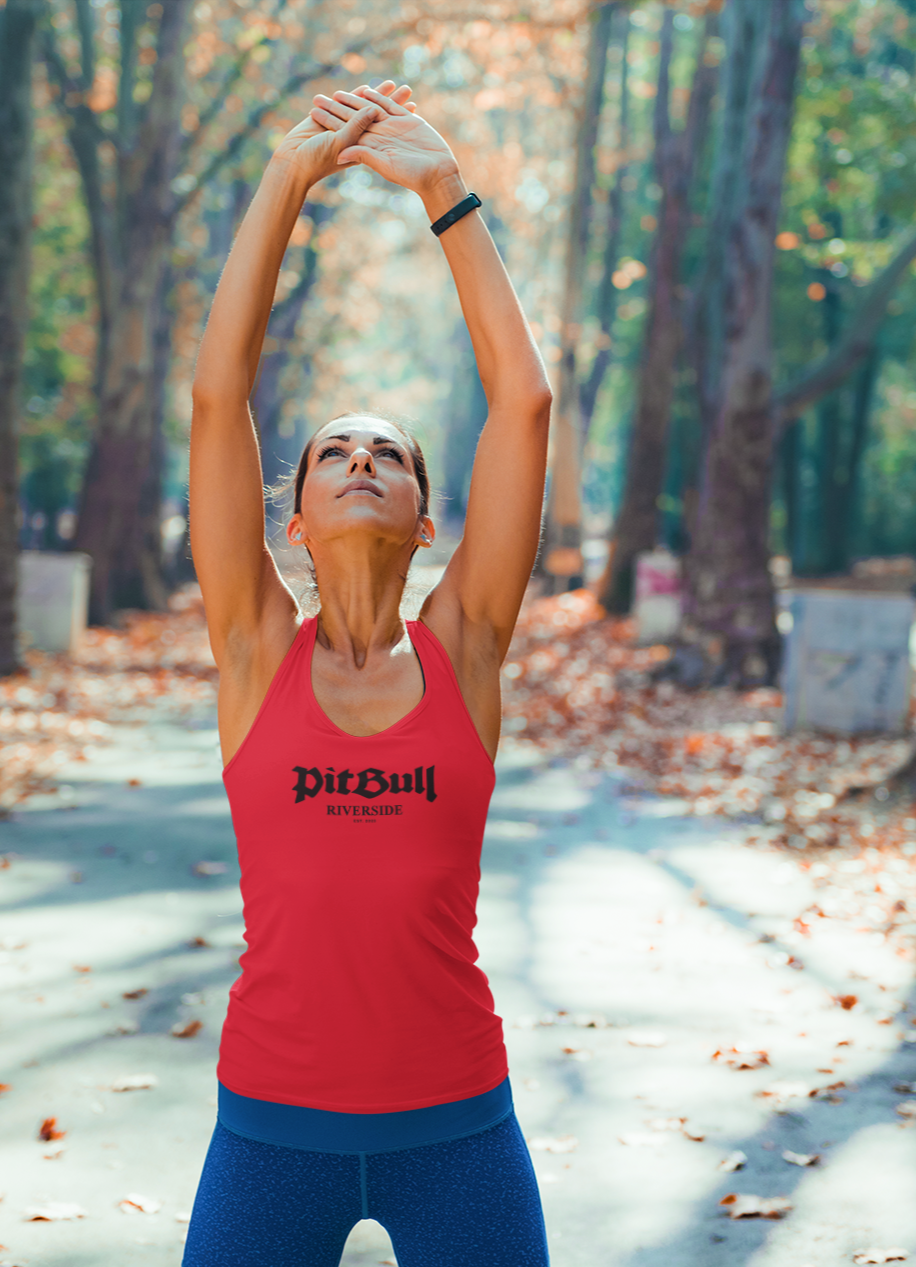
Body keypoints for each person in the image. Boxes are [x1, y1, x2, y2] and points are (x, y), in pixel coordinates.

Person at [182, 79, 552, 1266]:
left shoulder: (465, 650)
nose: (358, 459)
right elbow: (216, 397)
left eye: (386, 453)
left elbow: (524, 400)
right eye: (332, 451)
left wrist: (447, 193)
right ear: (290, 518)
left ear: (425, 516)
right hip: (268, 1134)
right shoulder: (251, 650)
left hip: (459, 1128)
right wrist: (286, 182)